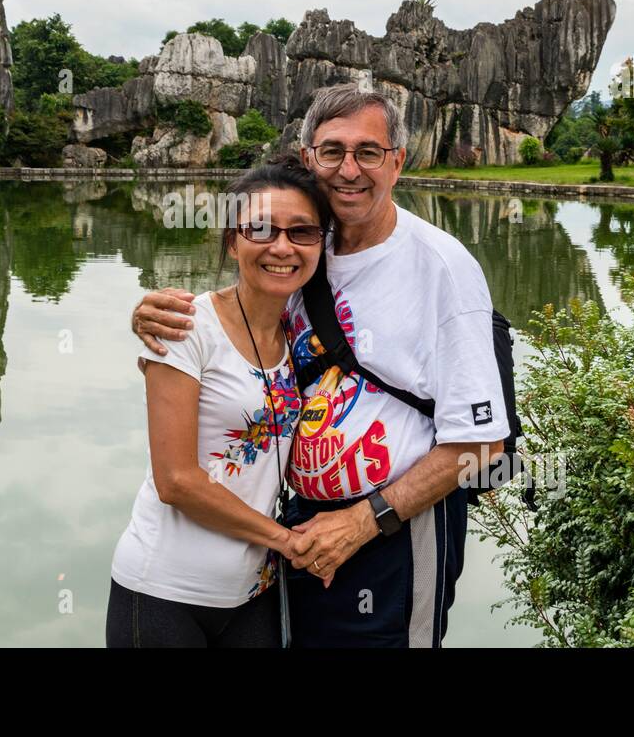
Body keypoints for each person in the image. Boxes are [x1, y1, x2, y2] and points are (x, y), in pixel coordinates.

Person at [131, 83, 511, 647]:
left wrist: (363, 522)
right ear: (309, 157)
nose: (348, 169)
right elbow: (237, 333)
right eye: (332, 151)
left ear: (398, 162)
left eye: (369, 152)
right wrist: (154, 318)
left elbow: (480, 446)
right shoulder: (304, 246)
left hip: (395, 534)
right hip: (300, 530)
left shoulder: (443, 269)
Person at [107, 157, 335, 647]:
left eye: (302, 232)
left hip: (253, 594)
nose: (281, 247)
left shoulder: (304, 333)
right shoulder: (185, 327)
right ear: (232, 240)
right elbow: (177, 482)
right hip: (165, 595)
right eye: (260, 229)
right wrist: (288, 542)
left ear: (320, 243)